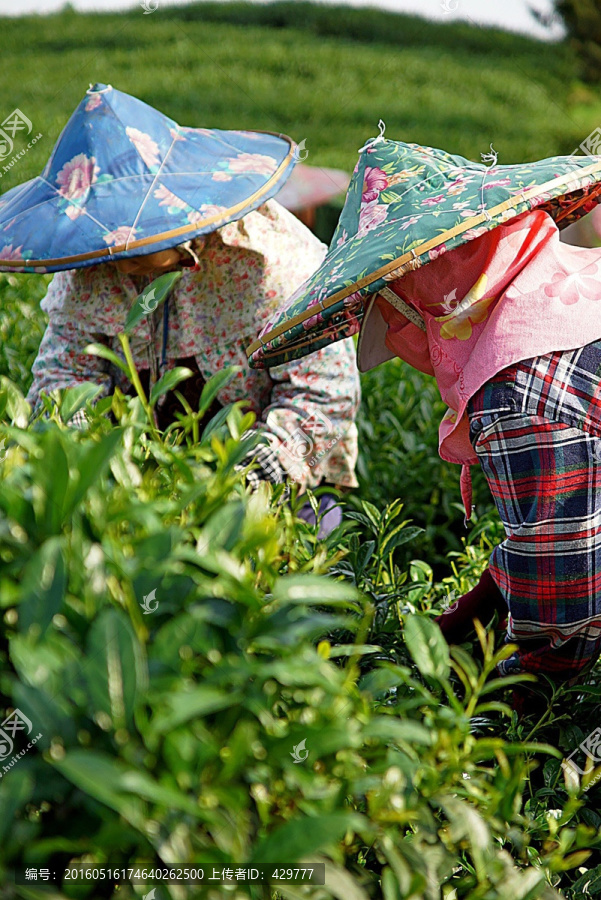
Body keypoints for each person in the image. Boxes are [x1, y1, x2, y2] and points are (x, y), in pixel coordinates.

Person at [247, 131, 601, 688]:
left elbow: (568, 618)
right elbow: (560, 529)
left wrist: (478, 700)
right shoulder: (575, 290)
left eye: (393, 314)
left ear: (430, 294)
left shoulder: (518, 394)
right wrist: (471, 612)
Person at [0, 84, 360, 537]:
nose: (114, 256)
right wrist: (78, 442)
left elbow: (325, 390)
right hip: (137, 490)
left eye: (128, 237)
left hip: (265, 486)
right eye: (101, 239)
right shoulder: (92, 269)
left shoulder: (268, 257)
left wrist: (264, 463)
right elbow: (63, 373)